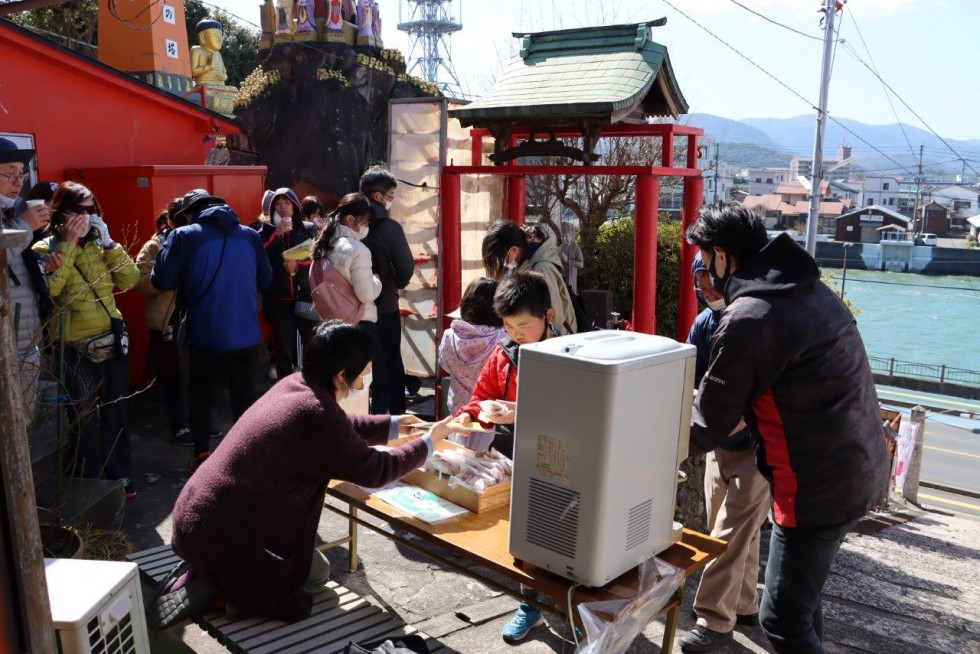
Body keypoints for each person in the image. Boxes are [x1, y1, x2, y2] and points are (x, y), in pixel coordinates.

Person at [149, 320, 455, 628]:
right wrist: (429, 444)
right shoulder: (317, 415)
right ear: (341, 375)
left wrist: (394, 425)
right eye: (362, 373)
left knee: (311, 564)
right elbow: (376, 470)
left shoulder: (295, 384)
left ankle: (212, 571)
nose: (365, 379)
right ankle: (221, 592)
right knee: (314, 575)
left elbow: (340, 426)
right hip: (221, 533)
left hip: (195, 516)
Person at [685, 206, 889, 654]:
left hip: (815, 483)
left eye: (705, 257)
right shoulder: (808, 289)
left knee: (781, 621)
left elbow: (704, 429)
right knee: (800, 603)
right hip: (856, 465)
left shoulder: (752, 317)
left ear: (721, 255)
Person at [452, 270, 560, 642]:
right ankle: (530, 606)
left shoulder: (571, 357)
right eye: (509, 326)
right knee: (523, 538)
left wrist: (519, 410)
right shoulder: (504, 353)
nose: (515, 334)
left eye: (523, 325)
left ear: (548, 316)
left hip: (556, 461)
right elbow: (481, 395)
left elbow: (574, 413)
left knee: (557, 538)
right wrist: (473, 413)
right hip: (512, 457)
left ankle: (569, 604)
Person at [678, 253, 770, 653]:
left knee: (726, 535)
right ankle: (745, 606)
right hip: (719, 441)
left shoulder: (756, 322)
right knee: (735, 529)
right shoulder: (704, 323)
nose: (707, 291)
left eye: (712, 283)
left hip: (759, 446)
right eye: (700, 284)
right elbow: (687, 376)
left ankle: (713, 622)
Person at [151, 190, 273, 472]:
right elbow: (265, 279)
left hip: (204, 334)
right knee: (244, 397)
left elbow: (162, 280)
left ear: (189, 213)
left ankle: (202, 453)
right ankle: (248, 455)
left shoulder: (182, 236)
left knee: (200, 393)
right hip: (246, 333)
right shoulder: (250, 235)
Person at [33, 181, 140, 497]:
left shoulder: (98, 245)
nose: (86, 216)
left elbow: (130, 280)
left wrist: (110, 244)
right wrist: (67, 243)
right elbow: (50, 292)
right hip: (75, 345)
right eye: (78, 209)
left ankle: (120, 475)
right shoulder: (44, 248)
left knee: (116, 410)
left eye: (91, 209)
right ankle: (90, 480)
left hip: (110, 336)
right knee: (83, 416)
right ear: (61, 212)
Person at [310, 192, 387, 412]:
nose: (366, 227)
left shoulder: (324, 243)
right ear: (351, 220)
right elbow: (366, 294)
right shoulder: (358, 250)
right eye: (364, 221)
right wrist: (377, 281)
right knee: (373, 378)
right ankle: (376, 427)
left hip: (333, 323)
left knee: (341, 383)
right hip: (361, 323)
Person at [1, 141, 54, 424]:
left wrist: (49, 269)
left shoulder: (16, 211)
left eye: (21, 173)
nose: (18, 181)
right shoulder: (19, 218)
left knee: (22, 424)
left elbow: (20, 269)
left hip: (27, 340)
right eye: (9, 173)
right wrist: (24, 227)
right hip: (5, 344)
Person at [360, 167, 414, 414]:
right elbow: (405, 270)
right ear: (377, 196)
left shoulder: (348, 221)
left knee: (364, 363)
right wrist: (393, 283)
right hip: (385, 305)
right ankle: (396, 415)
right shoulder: (390, 228)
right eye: (390, 195)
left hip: (356, 308)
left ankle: (369, 414)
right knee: (391, 359)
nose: (392, 200)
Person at [136, 200, 190, 445]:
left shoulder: (196, 239)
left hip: (194, 315)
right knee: (173, 376)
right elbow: (141, 280)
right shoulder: (155, 244)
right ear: (169, 219)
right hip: (168, 319)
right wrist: (165, 279)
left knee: (198, 372)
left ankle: (198, 421)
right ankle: (179, 425)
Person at [255, 187, 318, 379]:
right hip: (278, 299)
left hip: (304, 295)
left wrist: (297, 267)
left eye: (286, 203)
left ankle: (313, 385)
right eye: (278, 204)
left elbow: (318, 259)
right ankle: (285, 388)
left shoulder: (308, 228)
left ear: (295, 205)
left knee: (312, 345)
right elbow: (259, 258)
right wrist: (276, 234)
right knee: (283, 348)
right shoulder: (265, 230)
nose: (282, 207)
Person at [438, 277, 504, 416]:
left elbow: (444, 364)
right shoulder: (502, 338)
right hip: (489, 410)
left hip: (457, 407)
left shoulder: (450, 334)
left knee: (455, 437)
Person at [523, 223, 577, 334]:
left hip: (558, 338)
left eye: (531, 239)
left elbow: (555, 315)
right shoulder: (541, 260)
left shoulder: (542, 267)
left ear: (538, 239)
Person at [190, 19, 229, 86]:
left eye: (221, 36)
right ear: (202, 36)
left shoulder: (217, 53)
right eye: (215, 35)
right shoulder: (197, 50)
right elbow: (193, 72)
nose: (219, 39)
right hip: (203, 83)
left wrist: (224, 76)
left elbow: (224, 70)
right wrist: (209, 67)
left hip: (220, 85)